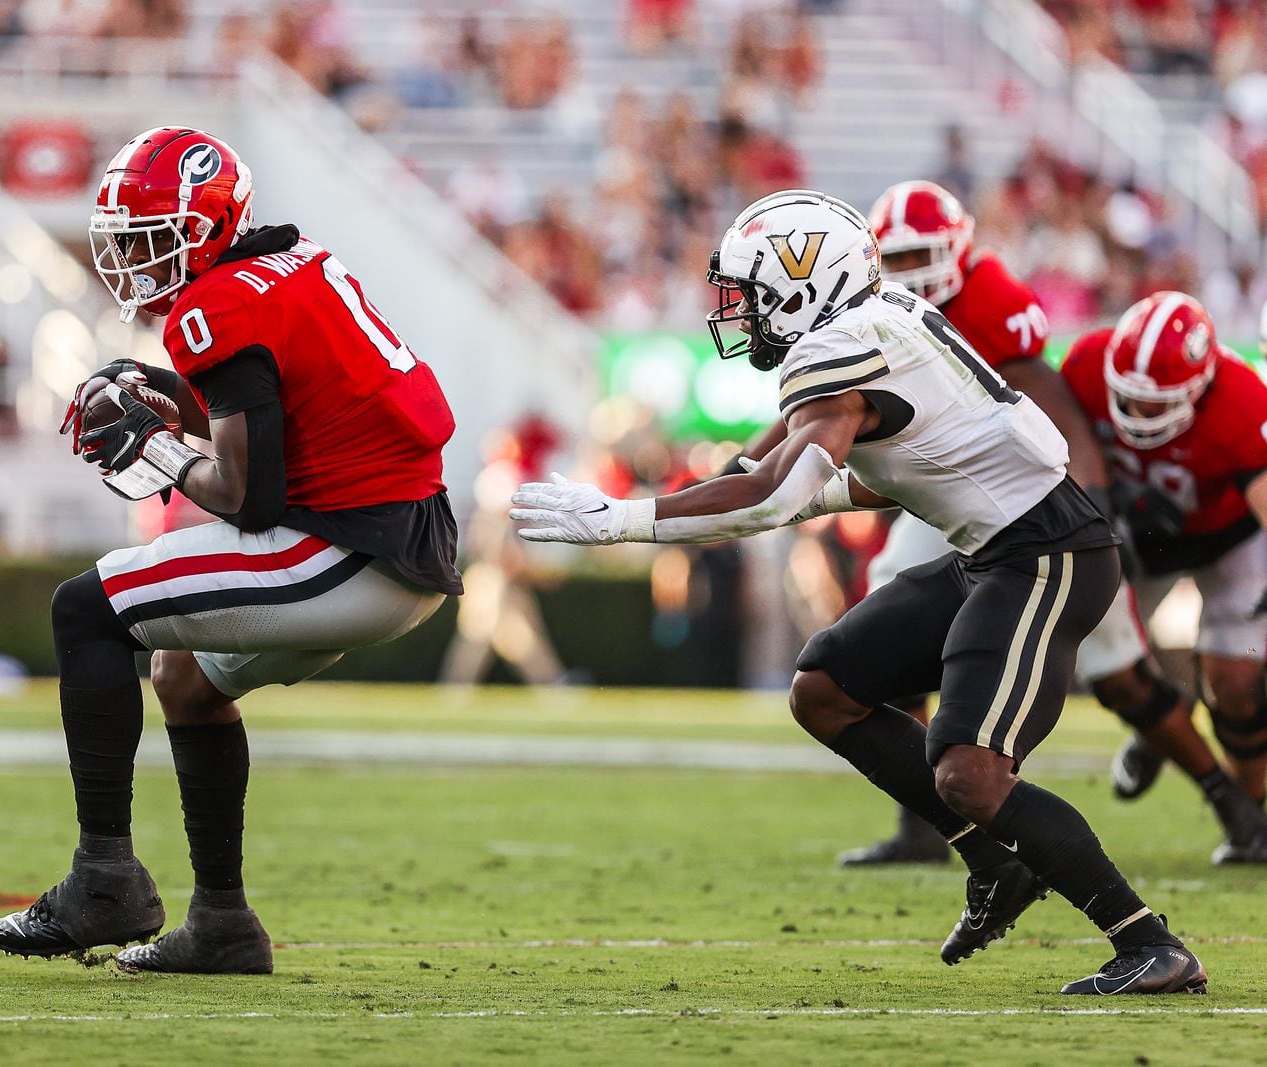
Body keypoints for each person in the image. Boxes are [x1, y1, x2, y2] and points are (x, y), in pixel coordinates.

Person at [511, 189, 1207, 995]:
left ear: (805, 286)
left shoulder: (839, 348)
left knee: (970, 773)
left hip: (1047, 553)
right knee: (824, 687)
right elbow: (795, 474)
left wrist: (619, 520)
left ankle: (1148, 940)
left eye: (752, 293)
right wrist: (697, 502)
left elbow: (771, 496)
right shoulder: (878, 321)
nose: (740, 311)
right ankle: (993, 863)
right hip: (996, 547)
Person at [0, 128, 462, 974]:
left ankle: (104, 880)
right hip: (397, 532)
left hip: (345, 548)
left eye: (150, 233)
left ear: (202, 225)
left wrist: (157, 446)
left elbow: (250, 497)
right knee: (185, 678)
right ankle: (223, 924)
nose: (134, 255)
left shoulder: (214, 306)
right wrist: (175, 407)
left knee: (83, 610)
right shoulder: (291, 260)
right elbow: (278, 421)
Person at [742, 179, 1115, 867]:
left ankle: (1209, 790)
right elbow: (816, 405)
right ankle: (934, 818)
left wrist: (1092, 491)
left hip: (1017, 497)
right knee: (884, 605)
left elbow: (1042, 388)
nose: (912, 272)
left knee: (1116, 659)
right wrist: (750, 465)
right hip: (934, 487)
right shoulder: (869, 309)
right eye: (900, 258)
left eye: (924, 256)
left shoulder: (993, 297)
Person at [1059, 292, 1267, 864]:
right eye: (1129, 399)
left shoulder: (1242, 398)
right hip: (1137, 537)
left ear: (1201, 387)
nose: (1139, 415)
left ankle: (1250, 817)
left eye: (1157, 405)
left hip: (1230, 538)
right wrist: (1112, 493)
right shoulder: (1084, 364)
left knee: (1236, 680)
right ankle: (1166, 727)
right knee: (1107, 666)